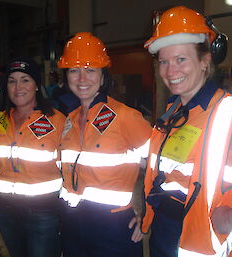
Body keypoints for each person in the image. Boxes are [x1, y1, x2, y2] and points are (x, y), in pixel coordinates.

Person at [141, 5, 232, 257]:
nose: (170, 71)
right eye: (164, 61)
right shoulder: (171, 115)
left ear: (205, 61)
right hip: (164, 232)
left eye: (180, 59)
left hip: (209, 241)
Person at [57, 32, 152, 257]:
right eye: (74, 70)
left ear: (103, 75)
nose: (82, 79)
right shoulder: (68, 120)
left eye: (90, 70)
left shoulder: (126, 117)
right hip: (72, 222)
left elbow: (160, 168)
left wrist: (148, 212)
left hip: (114, 226)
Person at [0, 58, 65, 257]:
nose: (18, 87)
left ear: (37, 85)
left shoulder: (57, 121)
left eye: (25, 80)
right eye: (12, 81)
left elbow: (72, 170)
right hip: (6, 211)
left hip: (44, 212)